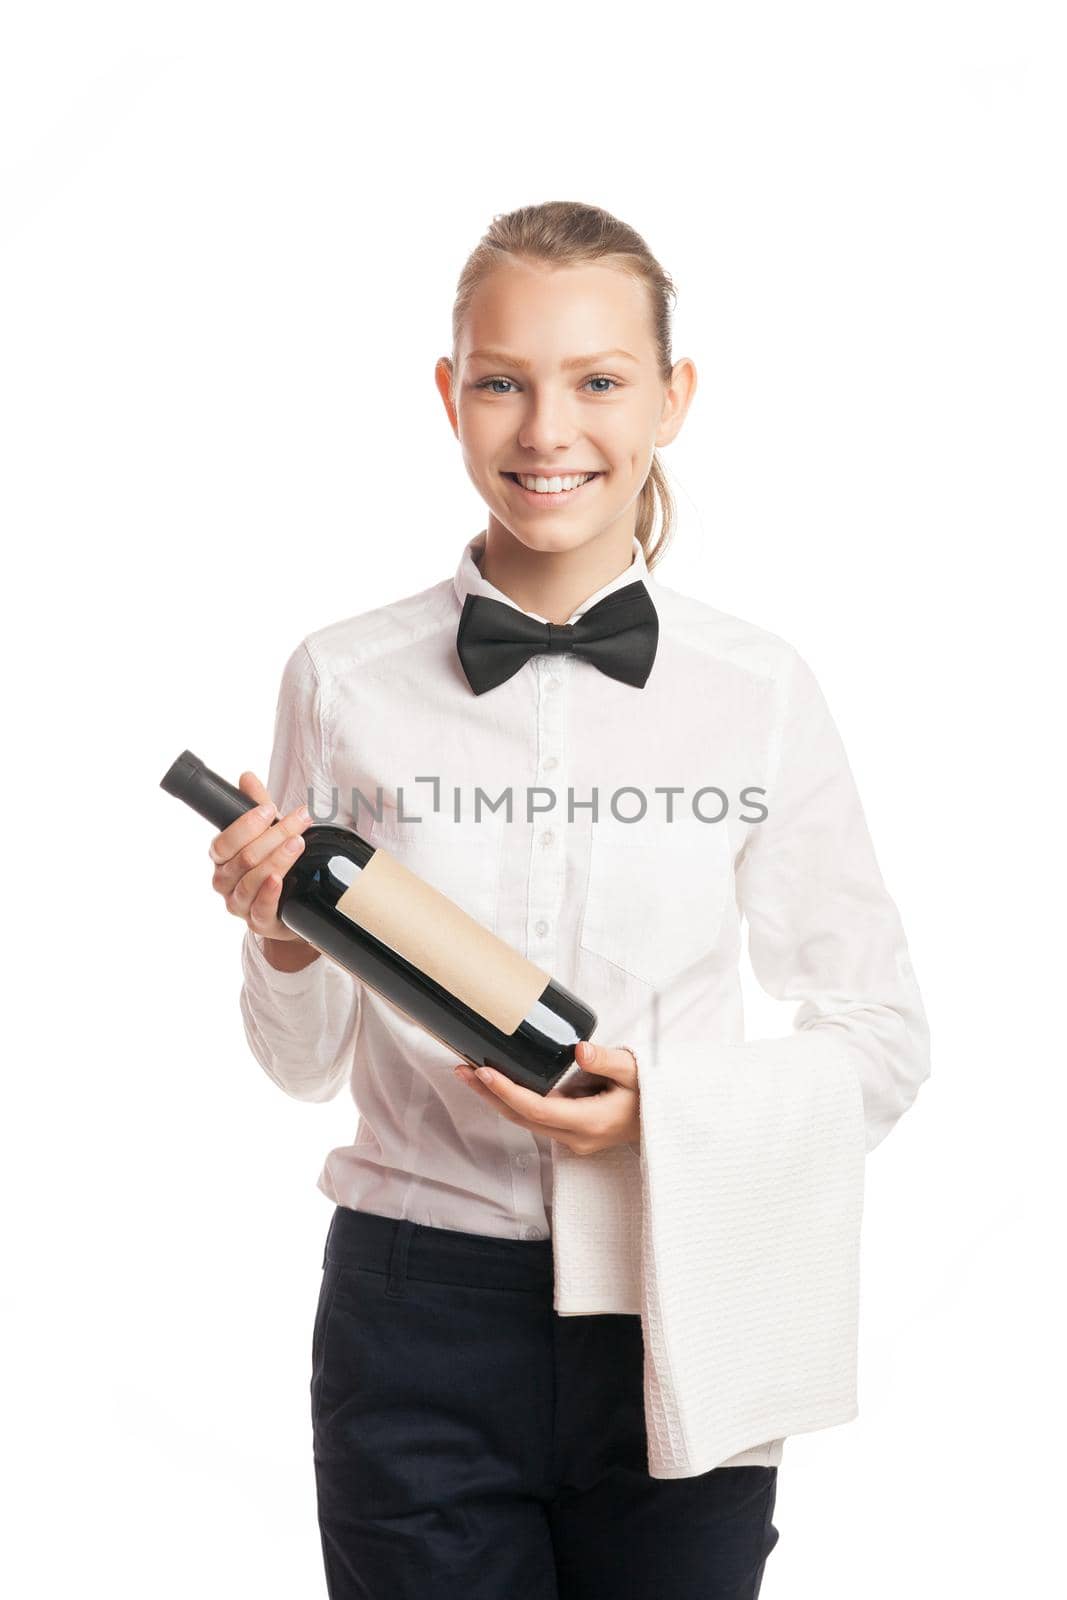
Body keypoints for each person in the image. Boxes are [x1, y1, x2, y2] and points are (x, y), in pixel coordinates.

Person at [208, 201, 930, 1599]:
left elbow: (883, 1034)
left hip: (685, 1283)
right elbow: (301, 1073)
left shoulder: (759, 692)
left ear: (674, 399)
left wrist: (662, 1109)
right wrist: (281, 945)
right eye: (503, 381)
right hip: (411, 1309)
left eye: (600, 381)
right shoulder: (341, 678)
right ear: (449, 395)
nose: (548, 431)